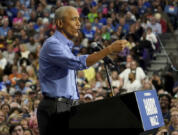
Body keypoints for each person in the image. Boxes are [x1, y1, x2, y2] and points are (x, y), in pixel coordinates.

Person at [37, 6, 128, 135]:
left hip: (68, 105)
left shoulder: (65, 46)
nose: (79, 23)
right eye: (74, 19)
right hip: (56, 107)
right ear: (60, 23)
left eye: (79, 19)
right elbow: (77, 63)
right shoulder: (52, 44)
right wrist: (109, 49)